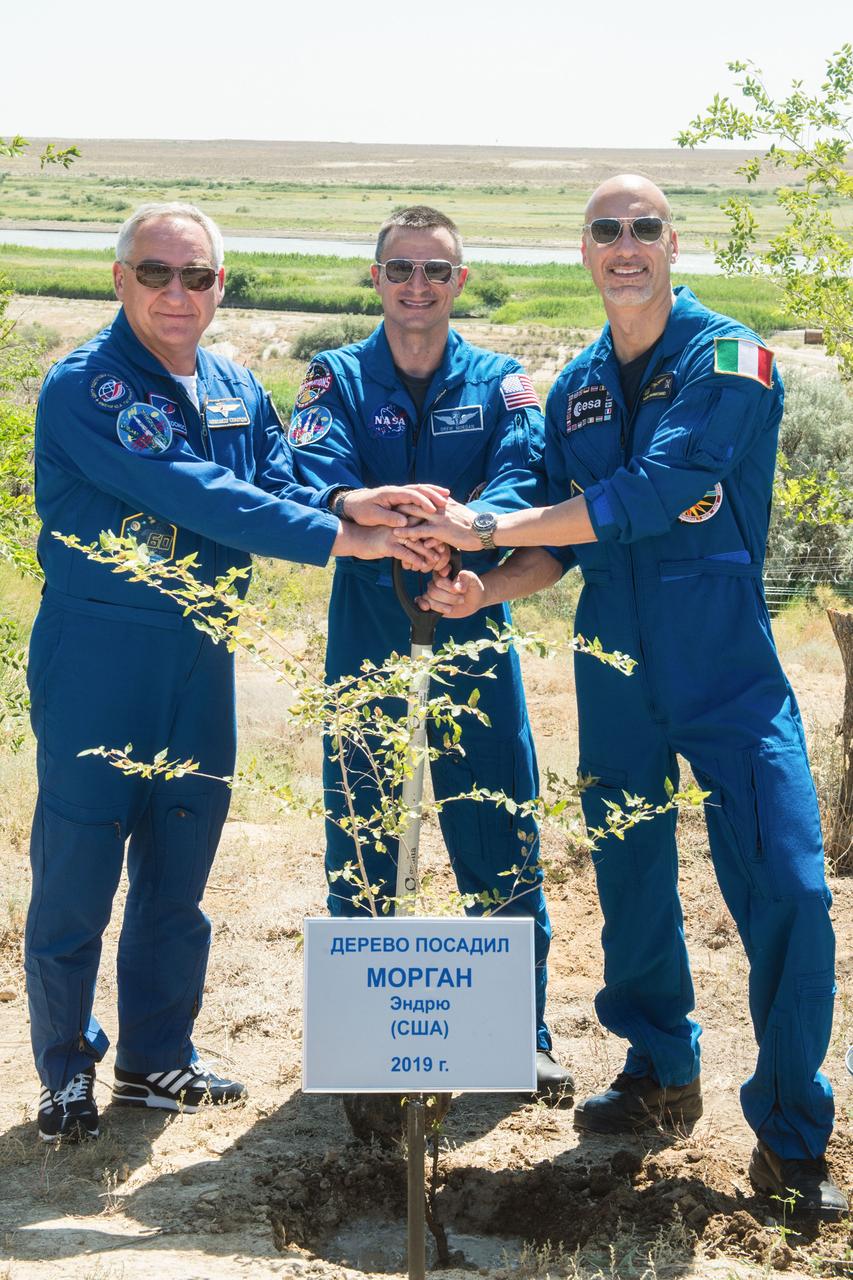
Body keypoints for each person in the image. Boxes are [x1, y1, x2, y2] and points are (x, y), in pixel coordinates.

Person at [400, 176, 847, 1215]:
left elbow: (650, 493)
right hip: (612, 661)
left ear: (671, 243)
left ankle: (788, 1132)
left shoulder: (732, 359)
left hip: (724, 655)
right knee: (630, 862)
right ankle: (658, 1067)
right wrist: (482, 584)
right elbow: (556, 546)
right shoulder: (575, 391)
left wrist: (491, 530)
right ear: (586, 252)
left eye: (643, 227)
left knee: (792, 886)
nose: (625, 245)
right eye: (605, 230)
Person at [26, 202, 444, 1143]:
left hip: (198, 653)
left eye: (199, 276)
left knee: (180, 867)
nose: (179, 293)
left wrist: (348, 497)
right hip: (100, 653)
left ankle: (154, 1057)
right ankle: (63, 1071)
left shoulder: (230, 383)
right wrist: (354, 540)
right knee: (79, 870)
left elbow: (273, 478)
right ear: (119, 278)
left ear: (221, 285)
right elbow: (198, 493)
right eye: (156, 273)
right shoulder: (88, 387)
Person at [287, 206, 572, 1097]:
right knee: (363, 815)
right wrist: (370, 508)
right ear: (375, 278)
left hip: (470, 617)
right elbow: (305, 471)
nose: (418, 286)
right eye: (401, 269)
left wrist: (463, 542)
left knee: (496, 817)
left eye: (436, 271)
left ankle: (519, 1031)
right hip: (367, 623)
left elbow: (529, 478)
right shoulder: (333, 376)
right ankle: (367, 1043)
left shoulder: (500, 381)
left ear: (460, 280)